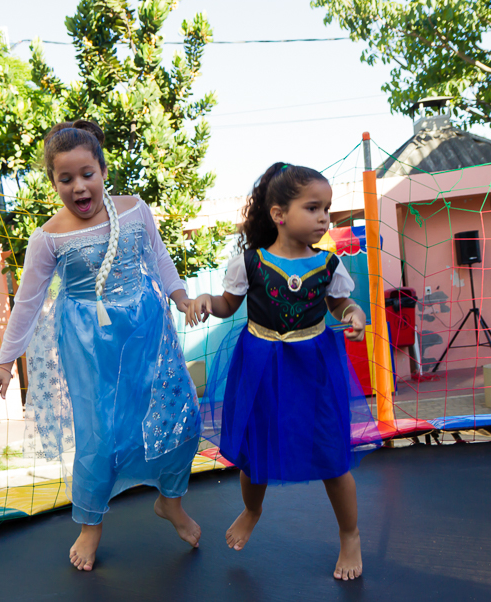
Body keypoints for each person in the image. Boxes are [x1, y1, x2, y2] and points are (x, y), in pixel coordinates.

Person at [0, 120, 202, 572]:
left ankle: (171, 500)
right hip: (88, 342)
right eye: (66, 179)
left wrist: (181, 298)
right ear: (54, 183)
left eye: (87, 174)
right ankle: (90, 525)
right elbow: (27, 302)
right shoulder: (48, 237)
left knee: (179, 414)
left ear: (103, 171)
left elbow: (159, 257)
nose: (79, 186)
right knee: (101, 434)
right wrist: (5, 363)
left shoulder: (135, 209)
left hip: (146, 328)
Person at [187, 162, 381, 580]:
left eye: (326, 208)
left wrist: (355, 313)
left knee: (332, 454)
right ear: (279, 214)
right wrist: (206, 301)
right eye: (313, 208)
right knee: (254, 453)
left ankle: (350, 534)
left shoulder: (328, 265)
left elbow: (340, 305)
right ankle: (252, 509)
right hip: (260, 367)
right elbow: (227, 305)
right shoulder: (251, 263)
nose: (324, 217)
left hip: (313, 369)